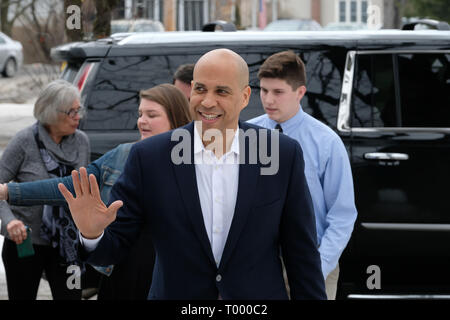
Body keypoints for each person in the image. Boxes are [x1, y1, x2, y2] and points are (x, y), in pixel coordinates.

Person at [58, 48, 326, 300]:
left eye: (221, 91)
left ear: (245, 97)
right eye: (200, 89)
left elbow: (301, 254)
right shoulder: (150, 158)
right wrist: (92, 234)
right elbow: (114, 248)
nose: (208, 101)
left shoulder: (281, 154)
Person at [0, 83, 192, 300]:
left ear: (176, 119)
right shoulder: (124, 155)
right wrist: (8, 191)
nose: (141, 121)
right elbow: (70, 186)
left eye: (151, 114)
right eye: (140, 114)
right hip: (123, 273)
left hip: (172, 276)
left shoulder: (197, 163)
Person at [247, 50, 358, 300]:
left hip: (311, 259)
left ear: (300, 92)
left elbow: (342, 215)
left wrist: (316, 266)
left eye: (277, 92)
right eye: (263, 90)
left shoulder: (326, 142)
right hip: (258, 264)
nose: (268, 99)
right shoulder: (247, 136)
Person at [0, 79, 90, 300]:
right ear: (51, 113)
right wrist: (9, 221)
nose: (78, 116)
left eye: (79, 110)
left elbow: (83, 191)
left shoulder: (81, 142)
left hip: (69, 243)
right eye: (72, 112)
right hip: (26, 242)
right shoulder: (24, 141)